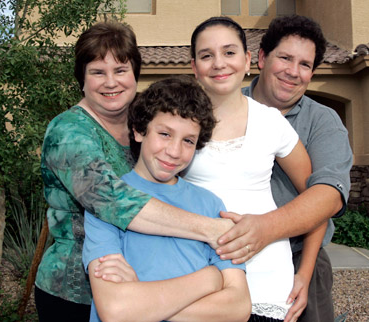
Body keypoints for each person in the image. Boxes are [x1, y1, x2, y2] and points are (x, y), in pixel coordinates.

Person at [35, 22, 234, 321]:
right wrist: (211, 229)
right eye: (98, 72)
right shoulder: (68, 133)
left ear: (134, 74)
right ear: (82, 79)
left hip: (147, 286)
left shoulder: (147, 122)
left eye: (120, 70)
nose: (111, 82)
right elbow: (113, 201)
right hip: (77, 289)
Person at [182, 16, 327, 322]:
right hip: (196, 275)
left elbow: (316, 200)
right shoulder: (178, 124)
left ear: (249, 60)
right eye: (207, 55)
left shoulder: (272, 122)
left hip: (267, 280)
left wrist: (304, 272)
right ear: (194, 67)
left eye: (230, 52)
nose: (219, 63)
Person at [82, 76, 251, 322]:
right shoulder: (107, 203)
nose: (174, 151)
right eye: (164, 133)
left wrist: (142, 298)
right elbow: (115, 310)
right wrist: (210, 279)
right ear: (140, 131)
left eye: (188, 141)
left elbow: (238, 308)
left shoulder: (211, 206)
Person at [240, 15, 353, 322]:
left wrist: (301, 272)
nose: (293, 72)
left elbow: (328, 196)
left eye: (304, 64)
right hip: (229, 258)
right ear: (262, 58)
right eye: (285, 58)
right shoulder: (227, 108)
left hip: (301, 258)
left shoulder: (323, 122)